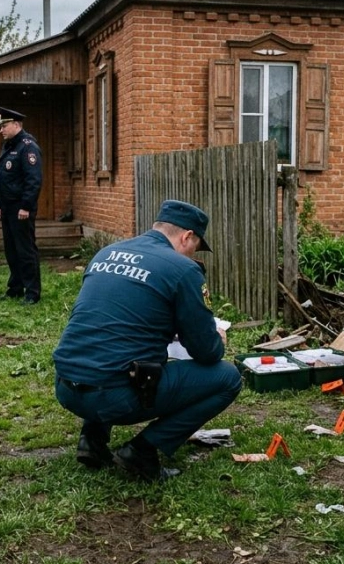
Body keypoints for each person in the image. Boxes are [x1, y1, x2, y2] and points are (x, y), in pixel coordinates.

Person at [52, 200, 242, 481]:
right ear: (187, 236)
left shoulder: (107, 252)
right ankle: (143, 451)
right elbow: (206, 351)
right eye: (196, 246)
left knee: (103, 346)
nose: (193, 254)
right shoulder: (182, 268)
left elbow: (113, 318)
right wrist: (217, 339)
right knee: (228, 378)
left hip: (67, 387)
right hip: (113, 397)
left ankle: (92, 440)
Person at [0, 107, 43, 305]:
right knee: (11, 250)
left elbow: (34, 180)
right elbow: (4, 178)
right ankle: (15, 288)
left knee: (25, 250)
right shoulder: (9, 146)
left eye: (4, 126)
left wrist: (26, 206)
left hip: (20, 208)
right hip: (7, 207)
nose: (1, 130)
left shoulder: (27, 146)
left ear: (16, 124)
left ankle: (32, 292)